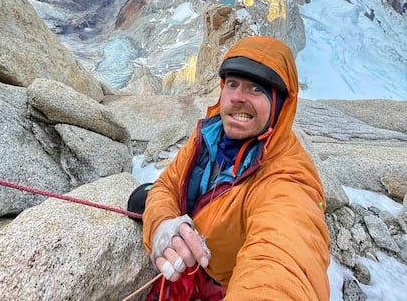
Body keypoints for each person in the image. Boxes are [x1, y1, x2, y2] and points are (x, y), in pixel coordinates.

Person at [141, 36, 330, 300]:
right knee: (142, 195)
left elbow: (284, 258)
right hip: (190, 271)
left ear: (280, 104)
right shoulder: (209, 135)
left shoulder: (287, 177)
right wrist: (162, 224)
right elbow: (167, 185)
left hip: (227, 284)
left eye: (256, 89)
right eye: (232, 84)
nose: (238, 97)